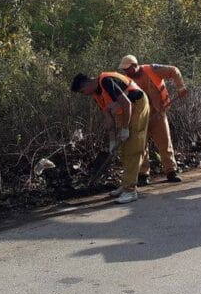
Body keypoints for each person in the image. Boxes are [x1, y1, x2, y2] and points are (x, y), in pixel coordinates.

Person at [70, 70, 150, 204]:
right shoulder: (96, 94)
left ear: (88, 84)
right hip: (123, 110)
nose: (84, 94)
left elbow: (127, 104)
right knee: (124, 149)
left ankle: (130, 191)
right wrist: (112, 140)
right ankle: (125, 184)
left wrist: (125, 129)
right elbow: (108, 116)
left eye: (83, 91)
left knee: (132, 148)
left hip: (137, 105)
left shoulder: (106, 81)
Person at [119, 54, 187, 186]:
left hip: (158, 113)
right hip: (140, 117)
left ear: (135, 65)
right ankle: (143, 174)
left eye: (128, 69)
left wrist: (180, 87)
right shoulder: (125, 80)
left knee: (164, 141)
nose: (126, 72)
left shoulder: (152, 69)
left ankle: (171, 171)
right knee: (141, 145)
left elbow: (174, 70)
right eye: (124, 70)